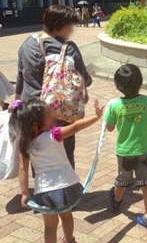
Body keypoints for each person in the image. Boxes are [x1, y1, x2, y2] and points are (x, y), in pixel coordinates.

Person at [14, 98, 104, 243]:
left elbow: (22, 168)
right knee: (67, 216)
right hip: (66, 185)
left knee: (49, 226)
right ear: (36, 124)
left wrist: (25, 192)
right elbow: (75, 127)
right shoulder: (54, 134)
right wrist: (96, 117)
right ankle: (69, 240)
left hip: (45, 190)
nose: (54, 116)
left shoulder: (25, 143)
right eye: (49, 115)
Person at [15, 5, 92, 169]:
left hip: (31, 110)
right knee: (64, 153)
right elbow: (85, 78)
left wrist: (16, 103)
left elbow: (20, 76)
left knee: (37, 155)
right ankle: (68, 191)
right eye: (70, 26)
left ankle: (42, 190)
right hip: (58, 111)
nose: (72, 31)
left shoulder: (27, 44)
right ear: (60, 25)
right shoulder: (68, 48)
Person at [105, 64, 147, 231]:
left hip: (125, 152)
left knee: (123, 180)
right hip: (145, 150)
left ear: (118, 86)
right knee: (146, 184)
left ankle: (116, 201)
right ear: (140, 83)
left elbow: (109, 128)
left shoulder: (114, 105)